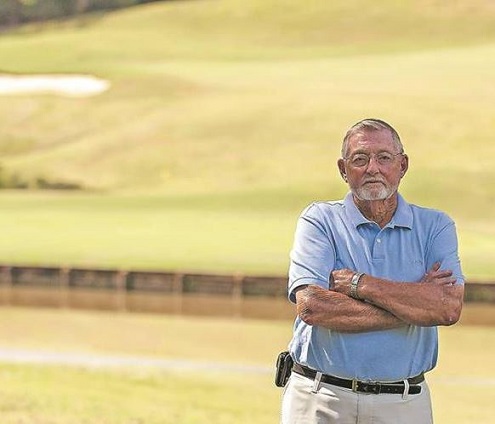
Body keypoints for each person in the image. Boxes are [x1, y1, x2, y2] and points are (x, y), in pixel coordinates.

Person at [281, 118, 464, 424]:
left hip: (404, 404)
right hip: (320, 397)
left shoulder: (435, 226)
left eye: (384, 158)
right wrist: (414, 307)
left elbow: (446, 308)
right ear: (343, 169)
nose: (372, 168)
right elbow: (312, 307)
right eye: (360, 159)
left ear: (402, 165)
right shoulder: (319, 220)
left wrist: (357, 283)